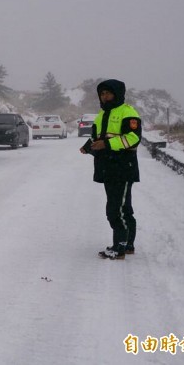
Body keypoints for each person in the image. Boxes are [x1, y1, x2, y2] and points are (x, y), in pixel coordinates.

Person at [80, 79, 141, 260]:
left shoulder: (128, 112)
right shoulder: (102, 114)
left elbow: (133, 138)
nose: (104, 96)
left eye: (108, 93)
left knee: (116, 209)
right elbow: (97, 137)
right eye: (102, 93)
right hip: (107, 167)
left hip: (122, 168)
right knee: (123, 207)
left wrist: (105, 144)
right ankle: (128, 244)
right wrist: (88, 146)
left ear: (117, 94)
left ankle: (119, 247)